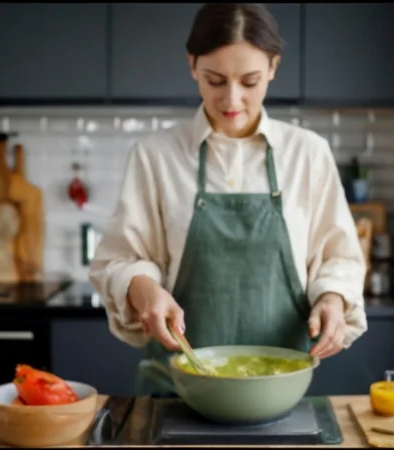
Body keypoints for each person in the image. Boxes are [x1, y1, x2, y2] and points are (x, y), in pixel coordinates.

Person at [89, 3, 368, 396]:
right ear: (192, 65)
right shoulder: (155, 156)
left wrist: (334, 299)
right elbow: (117, 259)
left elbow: (339, 257)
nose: (231, 99)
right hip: (174, 389)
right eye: (215, 80)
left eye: (250, 81)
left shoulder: (308, 154)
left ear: (273, 67)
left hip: (278, 390)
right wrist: (141, 287)